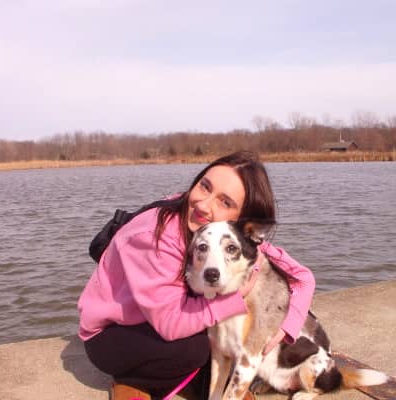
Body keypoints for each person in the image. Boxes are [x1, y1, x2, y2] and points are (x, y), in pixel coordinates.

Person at [78, 151, 316, 400]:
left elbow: (302, 277)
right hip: (113, 334)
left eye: (225, 202)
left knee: (235, 329)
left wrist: (287, 328)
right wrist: (233, 299)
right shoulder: (155, 235)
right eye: (205, 186)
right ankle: (132, 381)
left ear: (242, 220)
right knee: (195, 349)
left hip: (161, 315)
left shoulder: (227, 232)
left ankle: (191, 380)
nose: (203, 205)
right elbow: (170, 324)